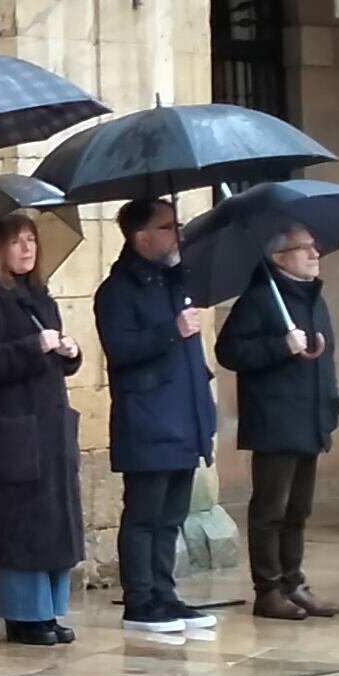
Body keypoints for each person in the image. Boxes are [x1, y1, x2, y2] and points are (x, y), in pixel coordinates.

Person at [95, 196, 219, 642]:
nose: (176, 234)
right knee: (144, 515)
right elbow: (122, 350)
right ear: (141, 237)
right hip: (148, 418)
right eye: (167, 227)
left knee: (171, 517)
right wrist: (172, 329)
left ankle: (165, 593)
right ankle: (140, 598)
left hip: (184, 416)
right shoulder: (117, 290)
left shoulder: (176, 280)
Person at [0, 214, 86, 646]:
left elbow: (56, 354)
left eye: (31, 240)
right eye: (17, 242)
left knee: (55, 522)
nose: (27, 248)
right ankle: (24, 616)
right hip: (15, 425)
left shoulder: (40, 295)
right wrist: (33, 348)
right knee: (24, 526)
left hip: (51, 425)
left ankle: (50, 612)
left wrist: (70, 353)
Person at [219, 223, 339, 622]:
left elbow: (324, 358)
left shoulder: (312, 297)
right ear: (279, 257)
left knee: (299, 508)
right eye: (304, 248)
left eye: (314, 246)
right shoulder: (260, 298)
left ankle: (294, 581)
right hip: (276, 419)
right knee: (271, 508)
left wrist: (330, 403)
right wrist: (279, 347)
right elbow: (230, 351)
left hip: (309, 418)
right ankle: (268, 588)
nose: (314, 254)